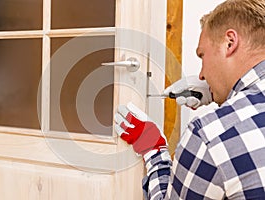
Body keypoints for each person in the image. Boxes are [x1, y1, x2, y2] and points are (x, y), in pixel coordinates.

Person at [114, 0, 265, 199]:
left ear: (230, 43)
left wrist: (154, 148)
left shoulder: (209, 136)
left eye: (202, 56)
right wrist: (221, 93)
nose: (201, 75)